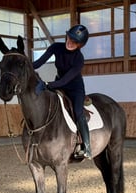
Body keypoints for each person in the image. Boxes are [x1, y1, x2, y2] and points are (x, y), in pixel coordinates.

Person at [33, 24, 92, 159]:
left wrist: (47, 84)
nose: (70, 42)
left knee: (78, 112)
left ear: (80, 45)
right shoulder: (56, 47)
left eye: (75, 42)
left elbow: (65, 80)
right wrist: (23, 64)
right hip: (59, 83)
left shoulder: (79, 59)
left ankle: (87, 147)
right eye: (70, 38)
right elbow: (38, 63)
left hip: (75, 88)